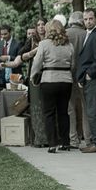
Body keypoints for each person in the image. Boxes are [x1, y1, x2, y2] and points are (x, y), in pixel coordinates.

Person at [30, 20, 74, 154]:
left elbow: (37, 63)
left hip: (49, 80)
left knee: (49, 113)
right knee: (63, 112)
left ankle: (52, 144)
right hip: (66, 81)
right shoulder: (69, 45)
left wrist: (33, 76)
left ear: (49, 30)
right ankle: (65, 142)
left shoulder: (44, 44)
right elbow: (73, 65)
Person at [77, 8, 96, 153]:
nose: (88, 21)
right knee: (91, 111)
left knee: (93, 111)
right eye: (85, 19)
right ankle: (95, 142)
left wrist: (89, 74)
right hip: (88, 80)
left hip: (94, 79)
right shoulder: (88, 34)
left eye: (90, 18)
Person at [66, 11, 90, 149]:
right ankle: (88, 138)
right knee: (86, 107)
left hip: (68, 74)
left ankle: (73, 139)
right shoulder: (86, 34)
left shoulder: (65, 34)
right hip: (84, 75)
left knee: (70, 108)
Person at [0, 24, 22, 95]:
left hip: (14, 77)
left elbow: (21, 59)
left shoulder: (18, 44)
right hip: (1, 78)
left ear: (10, 32)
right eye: (2, 34)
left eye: (5, 34)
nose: (3, 36)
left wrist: (8, 57)